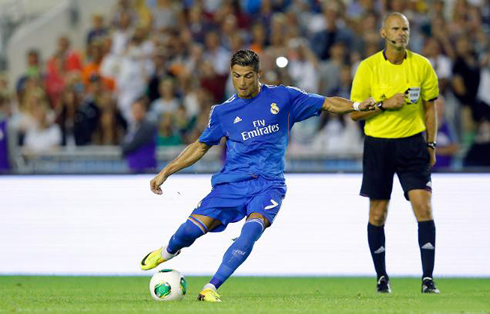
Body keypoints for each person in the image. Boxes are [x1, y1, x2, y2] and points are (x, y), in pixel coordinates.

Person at [140, 49, 376, 302]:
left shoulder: (284, 97)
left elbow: (326, 102)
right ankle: (168, 251)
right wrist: (166, 171)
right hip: (230, 184)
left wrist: (357, 105)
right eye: (236, 76)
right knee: (190, 232)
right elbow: (200, 146)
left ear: (259, 74)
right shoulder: (223, 112)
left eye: (248, 76)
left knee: (251, 231)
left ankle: (211, 287)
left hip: (269, 185)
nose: (242, 82)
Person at [350, 12, 440, 294]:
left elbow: (430, 107)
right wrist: (383, 104)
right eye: (396, 29)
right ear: (383, 33)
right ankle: (381, 278)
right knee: (378, 214)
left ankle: (428, 279)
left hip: (413, 144)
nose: (402, 33)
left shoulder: (422, 66)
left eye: (405, 29)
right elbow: (355, 114)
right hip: (378, 145)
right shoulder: (368, 68)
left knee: (423, 207)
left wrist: (431, 143)